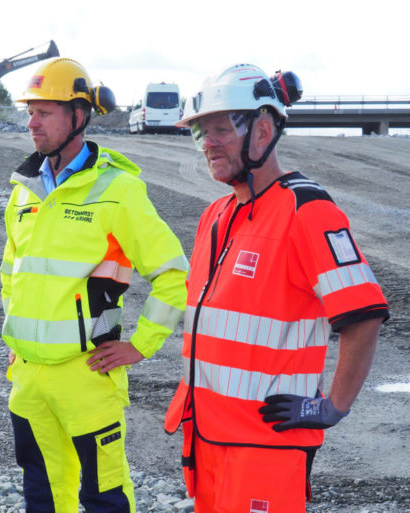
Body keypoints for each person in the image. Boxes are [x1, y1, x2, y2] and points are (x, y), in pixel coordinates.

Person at [164, 63, 390, 512]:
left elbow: (363, 315)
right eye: (201, 133)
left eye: (220, 130)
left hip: (264, 447)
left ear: (263, 130)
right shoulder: (216, 216)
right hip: (208, 438)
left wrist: (331, 407)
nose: (208, 144)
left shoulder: (307, 210)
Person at [0, 57, 189, 513]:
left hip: (87, 376)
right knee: (43, 497)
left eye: (44, 112)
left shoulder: (118, 190)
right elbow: (11, 271)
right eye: (31, 112)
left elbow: (173, 273)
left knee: (104, 498)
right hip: (27, 379)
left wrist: (142, 346)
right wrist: (15, 338)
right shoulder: (24, 188)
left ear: (78, 116)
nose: (32, 123)